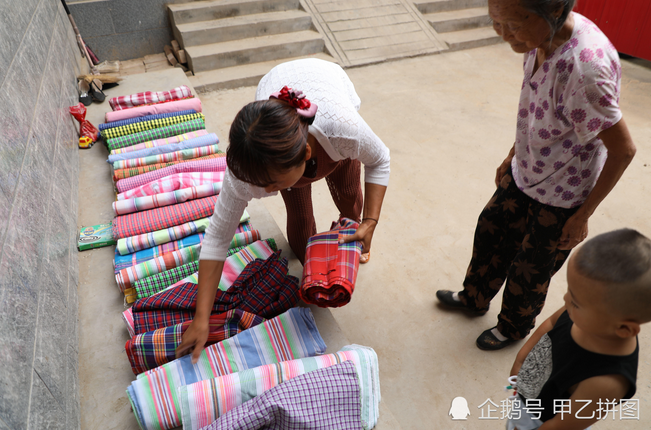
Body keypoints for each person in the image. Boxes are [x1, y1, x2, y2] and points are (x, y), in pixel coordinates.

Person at [436, 0, 636, 350]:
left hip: (561, 194)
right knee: (491, 233)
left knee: (530, 270)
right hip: (525, 170)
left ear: (553, 12)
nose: (502, 34)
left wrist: (582, 216)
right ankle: (474, 297)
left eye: (511, 24)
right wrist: (513, 153)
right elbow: (537, 107)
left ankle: (512, 327)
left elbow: (624, 150)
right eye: (495, 23)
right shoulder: (536, 40)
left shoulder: (585, 70)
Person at [176, 58, 390, 362]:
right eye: (257, 184)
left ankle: (351, 244)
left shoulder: (345, 131)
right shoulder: (247, 167)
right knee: (300, 218)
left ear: (304, 154)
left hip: (327, 88)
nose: (262, 193)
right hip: (283, 113)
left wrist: (370, 220)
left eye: (270, 184)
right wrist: (201, 317)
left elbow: (380, 159)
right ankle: (317, 274)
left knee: (349, 197)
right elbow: (216, 240)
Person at [506, 228, 650, 430]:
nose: (566, 300)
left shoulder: (607, 382)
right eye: (569, 292)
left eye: (575, 302)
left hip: (542, 421)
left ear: (624, 328)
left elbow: (562, 426)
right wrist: (521, 359)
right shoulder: (582, 310)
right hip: (530, 395)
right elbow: (550, 324)